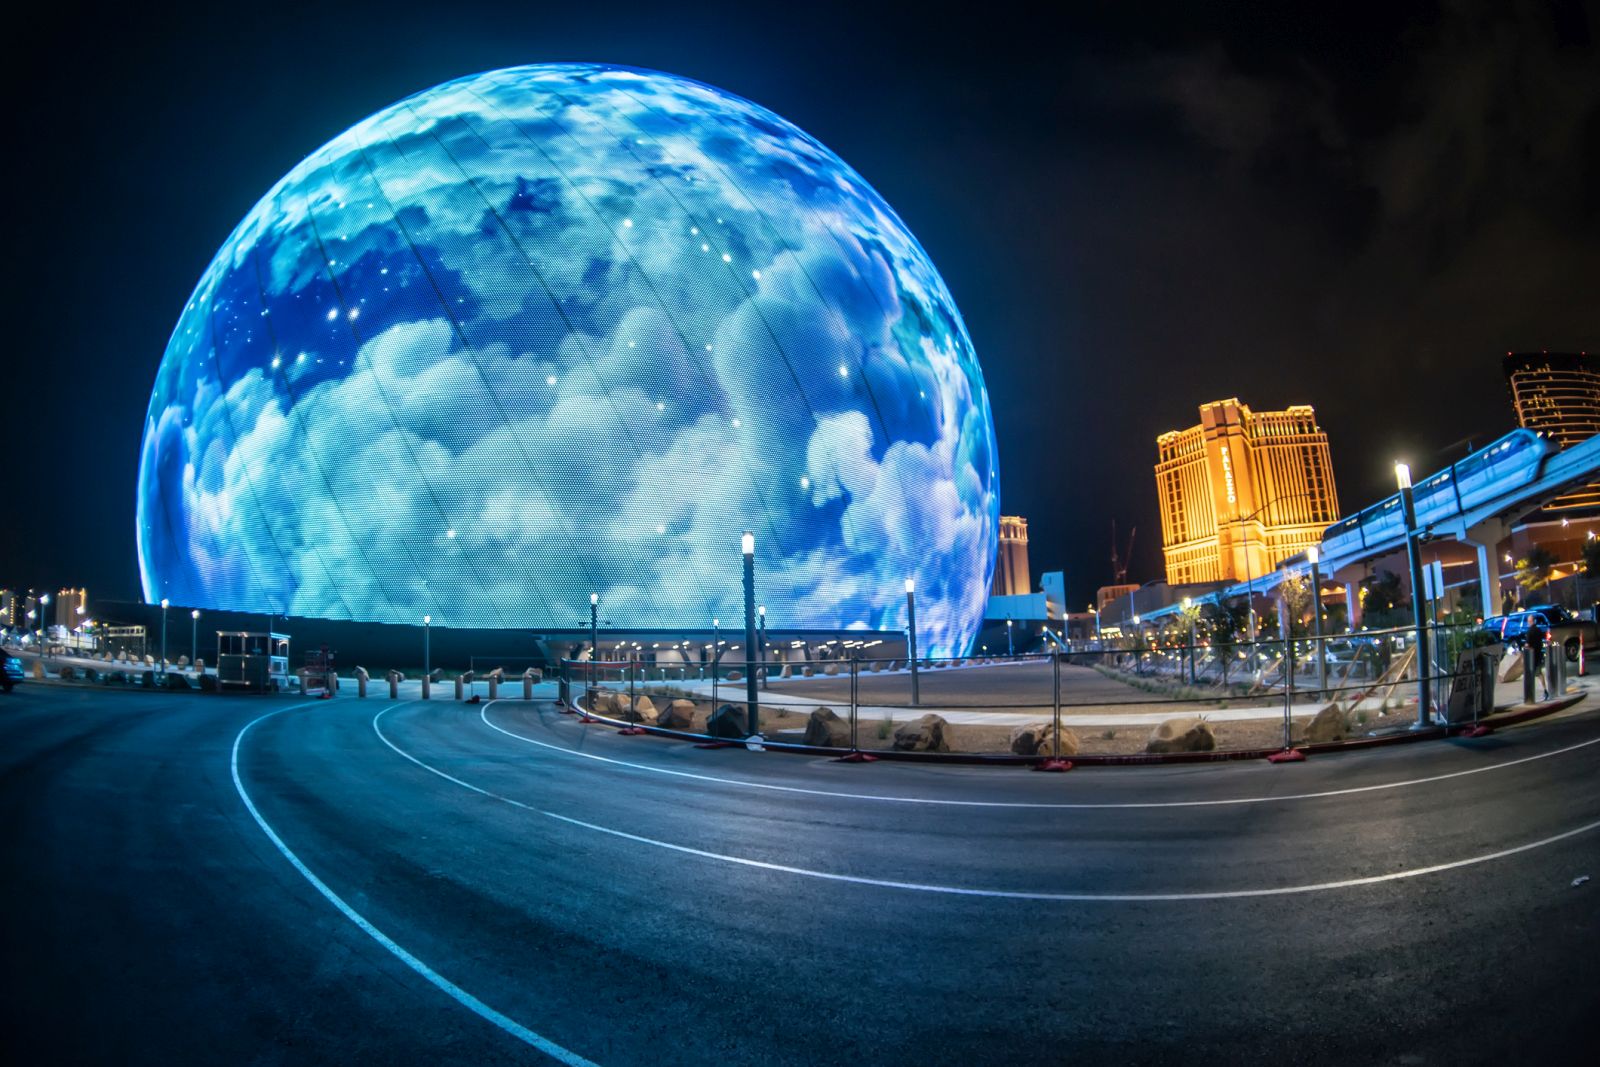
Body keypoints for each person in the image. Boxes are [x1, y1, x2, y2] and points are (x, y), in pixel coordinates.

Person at [1527, 614, 1551, 700]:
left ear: (1531, 621)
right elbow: (1543, 638)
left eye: (1528, 621)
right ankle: (1545, 690)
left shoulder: (1529, 631)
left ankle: (1530, 694)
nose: (1528, 622)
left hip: (1531, 656)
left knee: (1530, 674)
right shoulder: (1538, 630)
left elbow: (1527, 644)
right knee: (1539, 673)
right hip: (1539, 654)